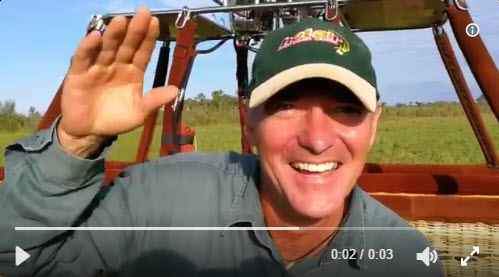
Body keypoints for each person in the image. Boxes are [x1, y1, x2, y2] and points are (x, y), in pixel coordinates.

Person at [0, 7, 443, 277]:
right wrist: (75, 144)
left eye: (346, 110)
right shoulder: (156, 203)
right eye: (285, 106)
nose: (316, 139)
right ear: (250, 122)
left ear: (373, 124)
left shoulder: (407, 261)